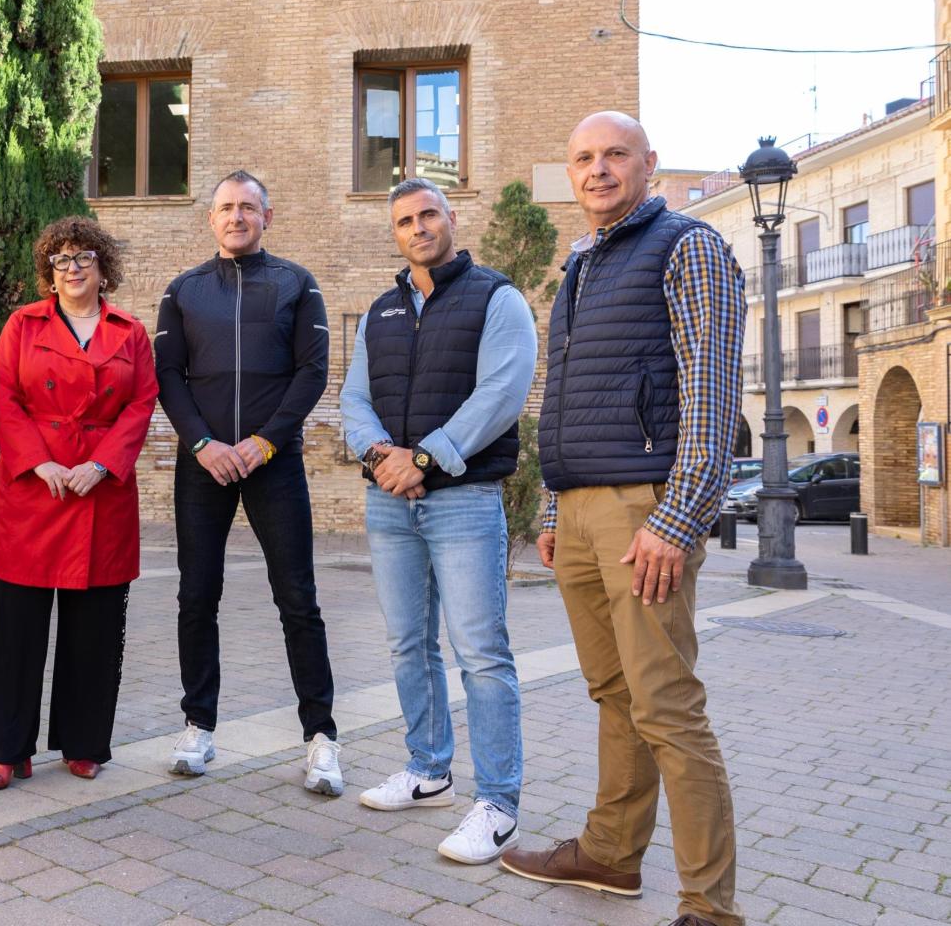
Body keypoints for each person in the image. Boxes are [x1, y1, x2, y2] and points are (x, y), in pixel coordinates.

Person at [500, 112, 746, 926]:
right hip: (579, 511)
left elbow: (711, 396)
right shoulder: (581, 262)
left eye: (615, 155)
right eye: (583, 158)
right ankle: (610, 852)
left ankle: (710, 906)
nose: (598, 169)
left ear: (650, 164)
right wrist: (551, 504)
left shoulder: (687, 246)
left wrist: (677, 520)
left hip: (643, 510)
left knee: (667, 706)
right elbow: (564, 397)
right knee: (614, 693)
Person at [340, 177, 534, 863]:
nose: (418, 228)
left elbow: (502, 393)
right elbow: (354, 399)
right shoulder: (380, 311)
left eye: (428, 215)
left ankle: (499, 803)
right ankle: (428, 770)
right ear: (394, 233)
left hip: (464, 500)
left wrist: (424, 458)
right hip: (389, 502)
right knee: (407, 644)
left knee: (480, 652)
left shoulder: (497, 298)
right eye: (404, 221)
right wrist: (380, 457)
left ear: (452, 218)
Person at [154, 170, 342, 795]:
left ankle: (321, 737)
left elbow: (312, 371)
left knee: (298, 599)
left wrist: (264, 442)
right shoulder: (183, 291)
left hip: (273, 460)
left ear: (268, 216)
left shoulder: (297, 284)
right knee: (196, 596)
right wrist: (202, 444)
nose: (236, 217)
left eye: (248, 207)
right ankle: (197, 726)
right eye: (226, 208)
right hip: (203, 462)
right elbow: (168, 375)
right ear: (211, 219)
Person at [0, 216, 158, 791]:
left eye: (83, 258)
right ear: (48, 273)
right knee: (17, 632)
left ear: (103, 268)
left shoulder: (130, 332)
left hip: (100, 492)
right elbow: (4, 394)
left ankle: (84, 745)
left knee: (95, 632)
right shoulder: (22, 325)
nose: (72, 268)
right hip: (33, 490)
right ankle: (8, 752)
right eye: (61, 260)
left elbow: (142, 403)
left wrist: (100, 465)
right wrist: (39, 462)